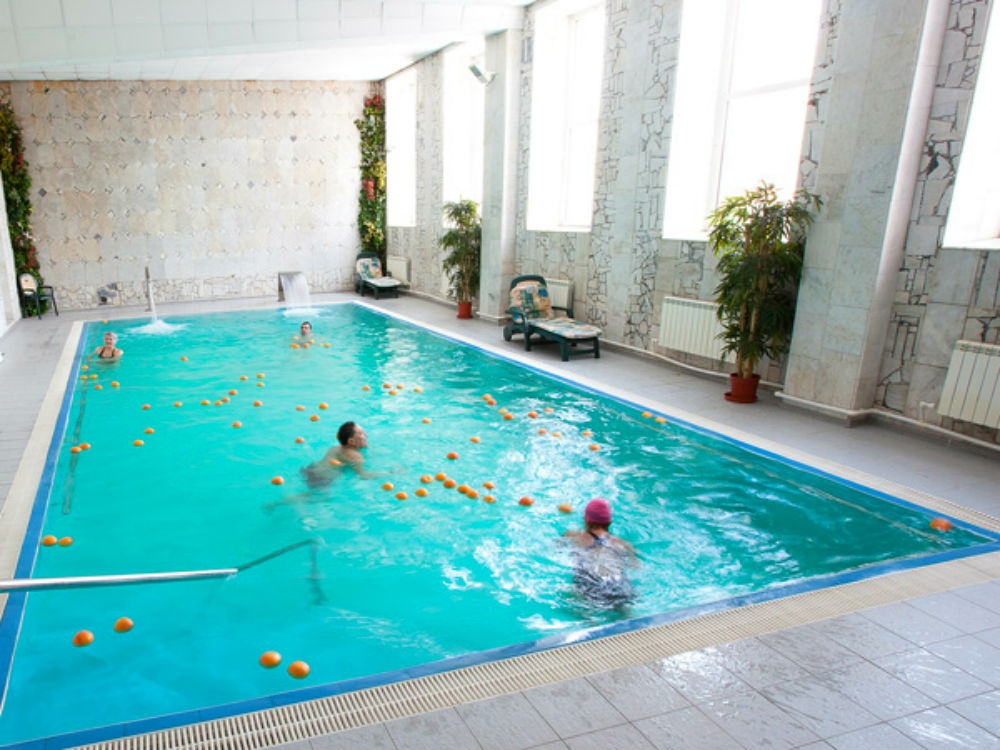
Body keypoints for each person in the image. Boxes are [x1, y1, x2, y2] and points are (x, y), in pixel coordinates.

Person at [563, 498, 637, 608]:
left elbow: (557, 547)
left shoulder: (573, 536)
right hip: (618, 586)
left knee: (565, 594)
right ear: (609, 522)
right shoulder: (624, 544)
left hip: (592, 585)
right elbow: (635, 566)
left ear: (586, 520)